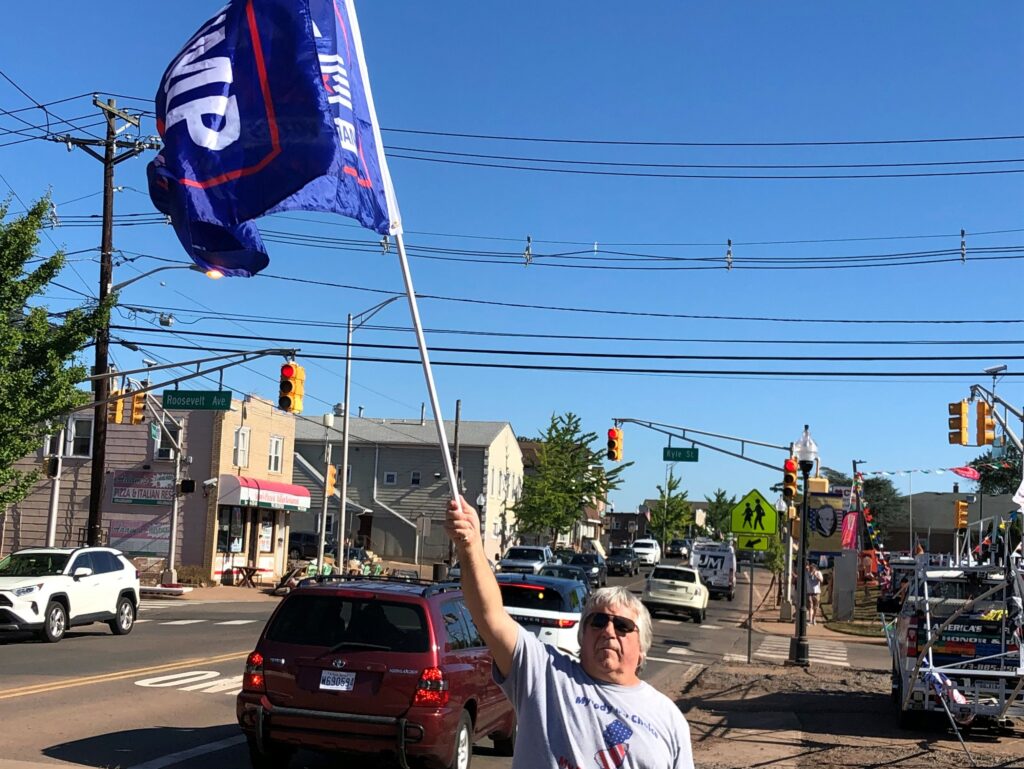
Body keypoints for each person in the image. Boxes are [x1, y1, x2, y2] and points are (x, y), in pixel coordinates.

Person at [445, 496, 695, 769]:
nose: (609, 631)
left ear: (643, 649)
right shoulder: (544, 675)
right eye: (598, 622)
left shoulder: (668, 719)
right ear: (582, 635)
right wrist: (470, 546)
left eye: (622, 626)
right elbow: (489, 616)